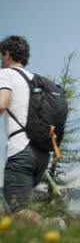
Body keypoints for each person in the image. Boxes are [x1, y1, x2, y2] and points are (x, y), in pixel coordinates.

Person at [0, 35, 50, 214]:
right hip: (41, 154)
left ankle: (60, 234)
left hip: (21, 151)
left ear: (7, 54)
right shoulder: (36, 79)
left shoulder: (6, 74)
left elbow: (2, 103)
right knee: (19, 211)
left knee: (18, 211)